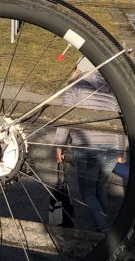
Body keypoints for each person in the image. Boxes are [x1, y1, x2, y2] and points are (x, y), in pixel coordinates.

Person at [53, 61, 125, 233]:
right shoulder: (111, 91)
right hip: (110, 148)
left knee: (87, 192)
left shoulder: (75, 88)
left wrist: (58, 145)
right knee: (99, 188)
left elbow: (65, 120)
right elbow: (119, 124)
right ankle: (106, 224)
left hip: (87, 148)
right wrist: (120, 152)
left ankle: (104, 228)